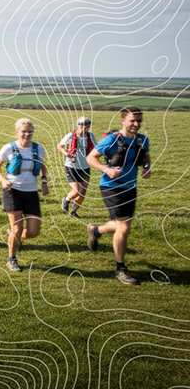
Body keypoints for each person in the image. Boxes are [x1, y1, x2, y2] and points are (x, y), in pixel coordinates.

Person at [86, 106, 151, 285]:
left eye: (139, 121)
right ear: (123, 121)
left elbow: (145, 157)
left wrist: (147, 168)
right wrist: (106, 169)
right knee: (123, 227)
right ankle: (120, 269)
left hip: (131, 187)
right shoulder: (111, 140)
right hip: (111, 186)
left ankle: (96, 230)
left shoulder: (142, 140)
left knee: (121, 225)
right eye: (132, 120)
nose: (136, 124)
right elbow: (91, 158)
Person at [0, 118, 49, 272]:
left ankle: (13, 236)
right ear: (17, 132)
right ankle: (12, 259)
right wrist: (3, 180)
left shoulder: (38, 148)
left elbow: (42, 165)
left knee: (33, 231)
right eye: (24, 131)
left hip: (31, 192)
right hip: (12, 191)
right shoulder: (8, 148)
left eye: (30, 131)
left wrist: (44, 181)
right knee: (17, 228)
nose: (27, 134)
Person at [56, 116, 96, 218]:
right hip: (72, 166)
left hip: (85, 166)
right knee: (77, 190)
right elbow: (59, 146)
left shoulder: (90, 136)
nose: (84, 126)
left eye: (87, 124)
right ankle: (66, 200)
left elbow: (96, 148)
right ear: (78, 125)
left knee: (83, 193)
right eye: (82, 124)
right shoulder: (71, 135)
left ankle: (73, 212)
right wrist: (67, 154)